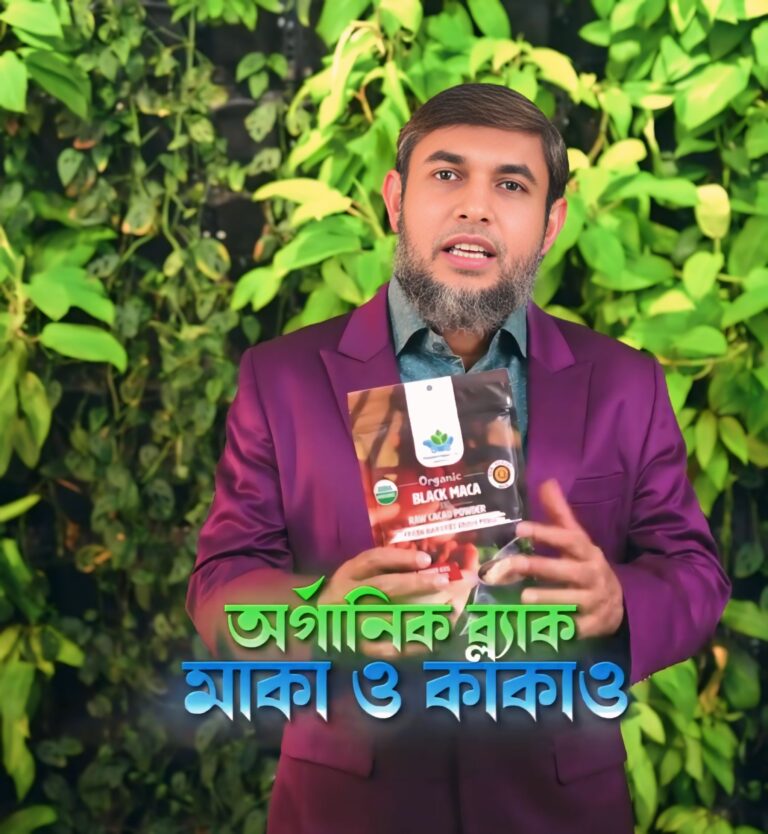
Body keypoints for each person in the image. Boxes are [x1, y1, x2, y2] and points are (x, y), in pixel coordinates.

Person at [187, 84, 731, 834]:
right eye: (447, 174)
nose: (475, 206)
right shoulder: (280, 378)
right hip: (349, 810)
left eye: (511, 185)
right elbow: (221, 581)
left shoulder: (625, 383)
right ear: (395, 200)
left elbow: (694, 572)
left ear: (551, 224)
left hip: (557, 812)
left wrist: (619, 604)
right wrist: (319, 617)